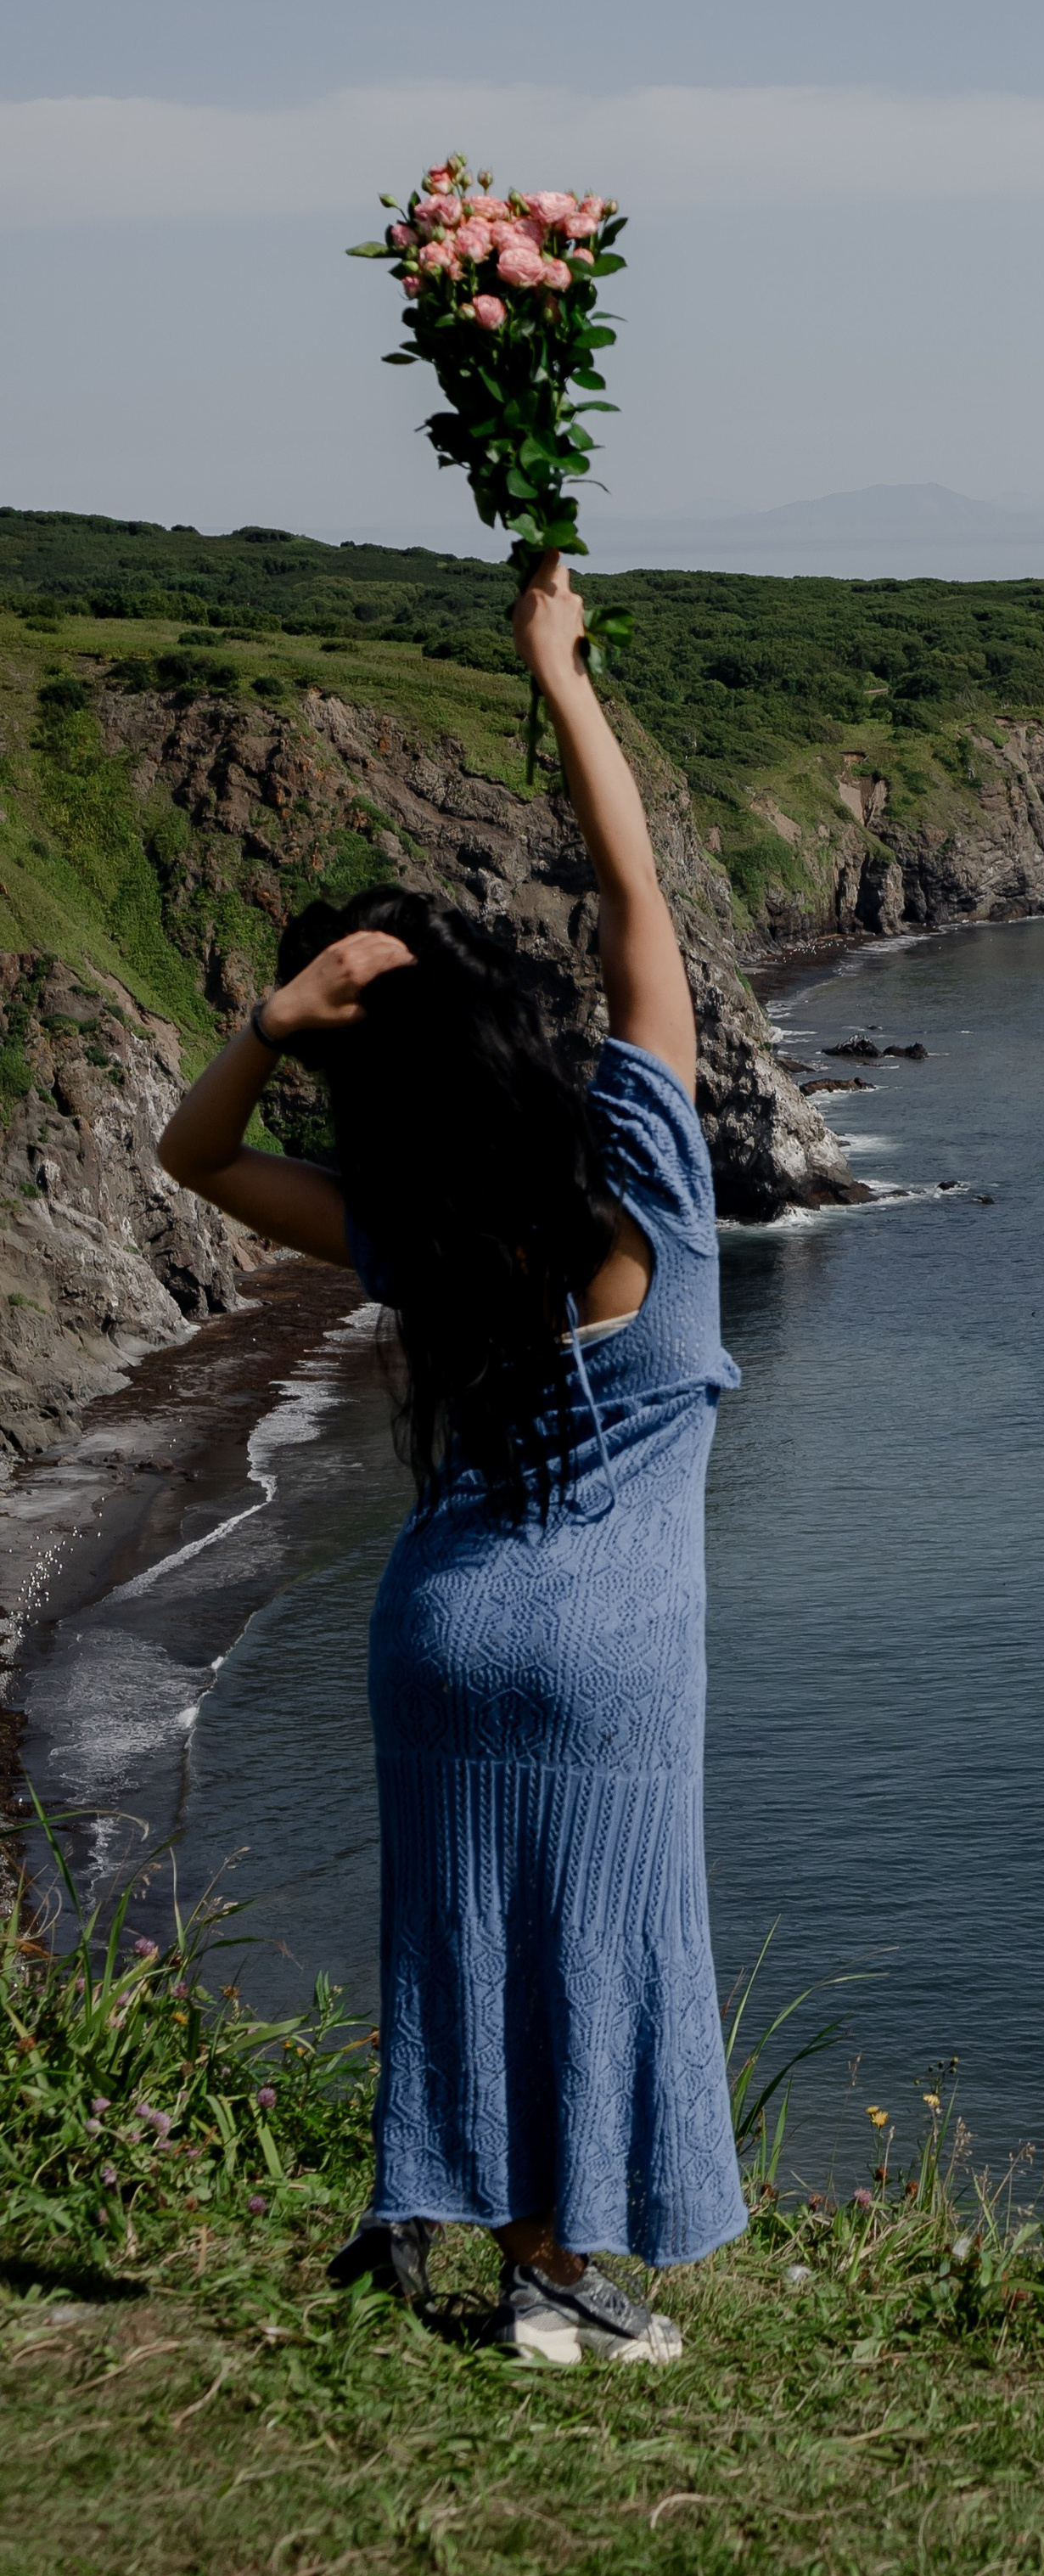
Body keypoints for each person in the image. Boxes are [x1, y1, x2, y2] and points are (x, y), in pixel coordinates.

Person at [156, 554, 745, 2365]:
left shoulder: (408, 1230)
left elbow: (193, 1158)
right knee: (606, 1943)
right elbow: (632, 888)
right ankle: (573, 2279)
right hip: (609, 1644)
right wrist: (557, 668)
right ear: (513, 1027)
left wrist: (284, 1016)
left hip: (439, 1628)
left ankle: (499, 2253)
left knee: (471, 1941)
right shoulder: (647, 1175)